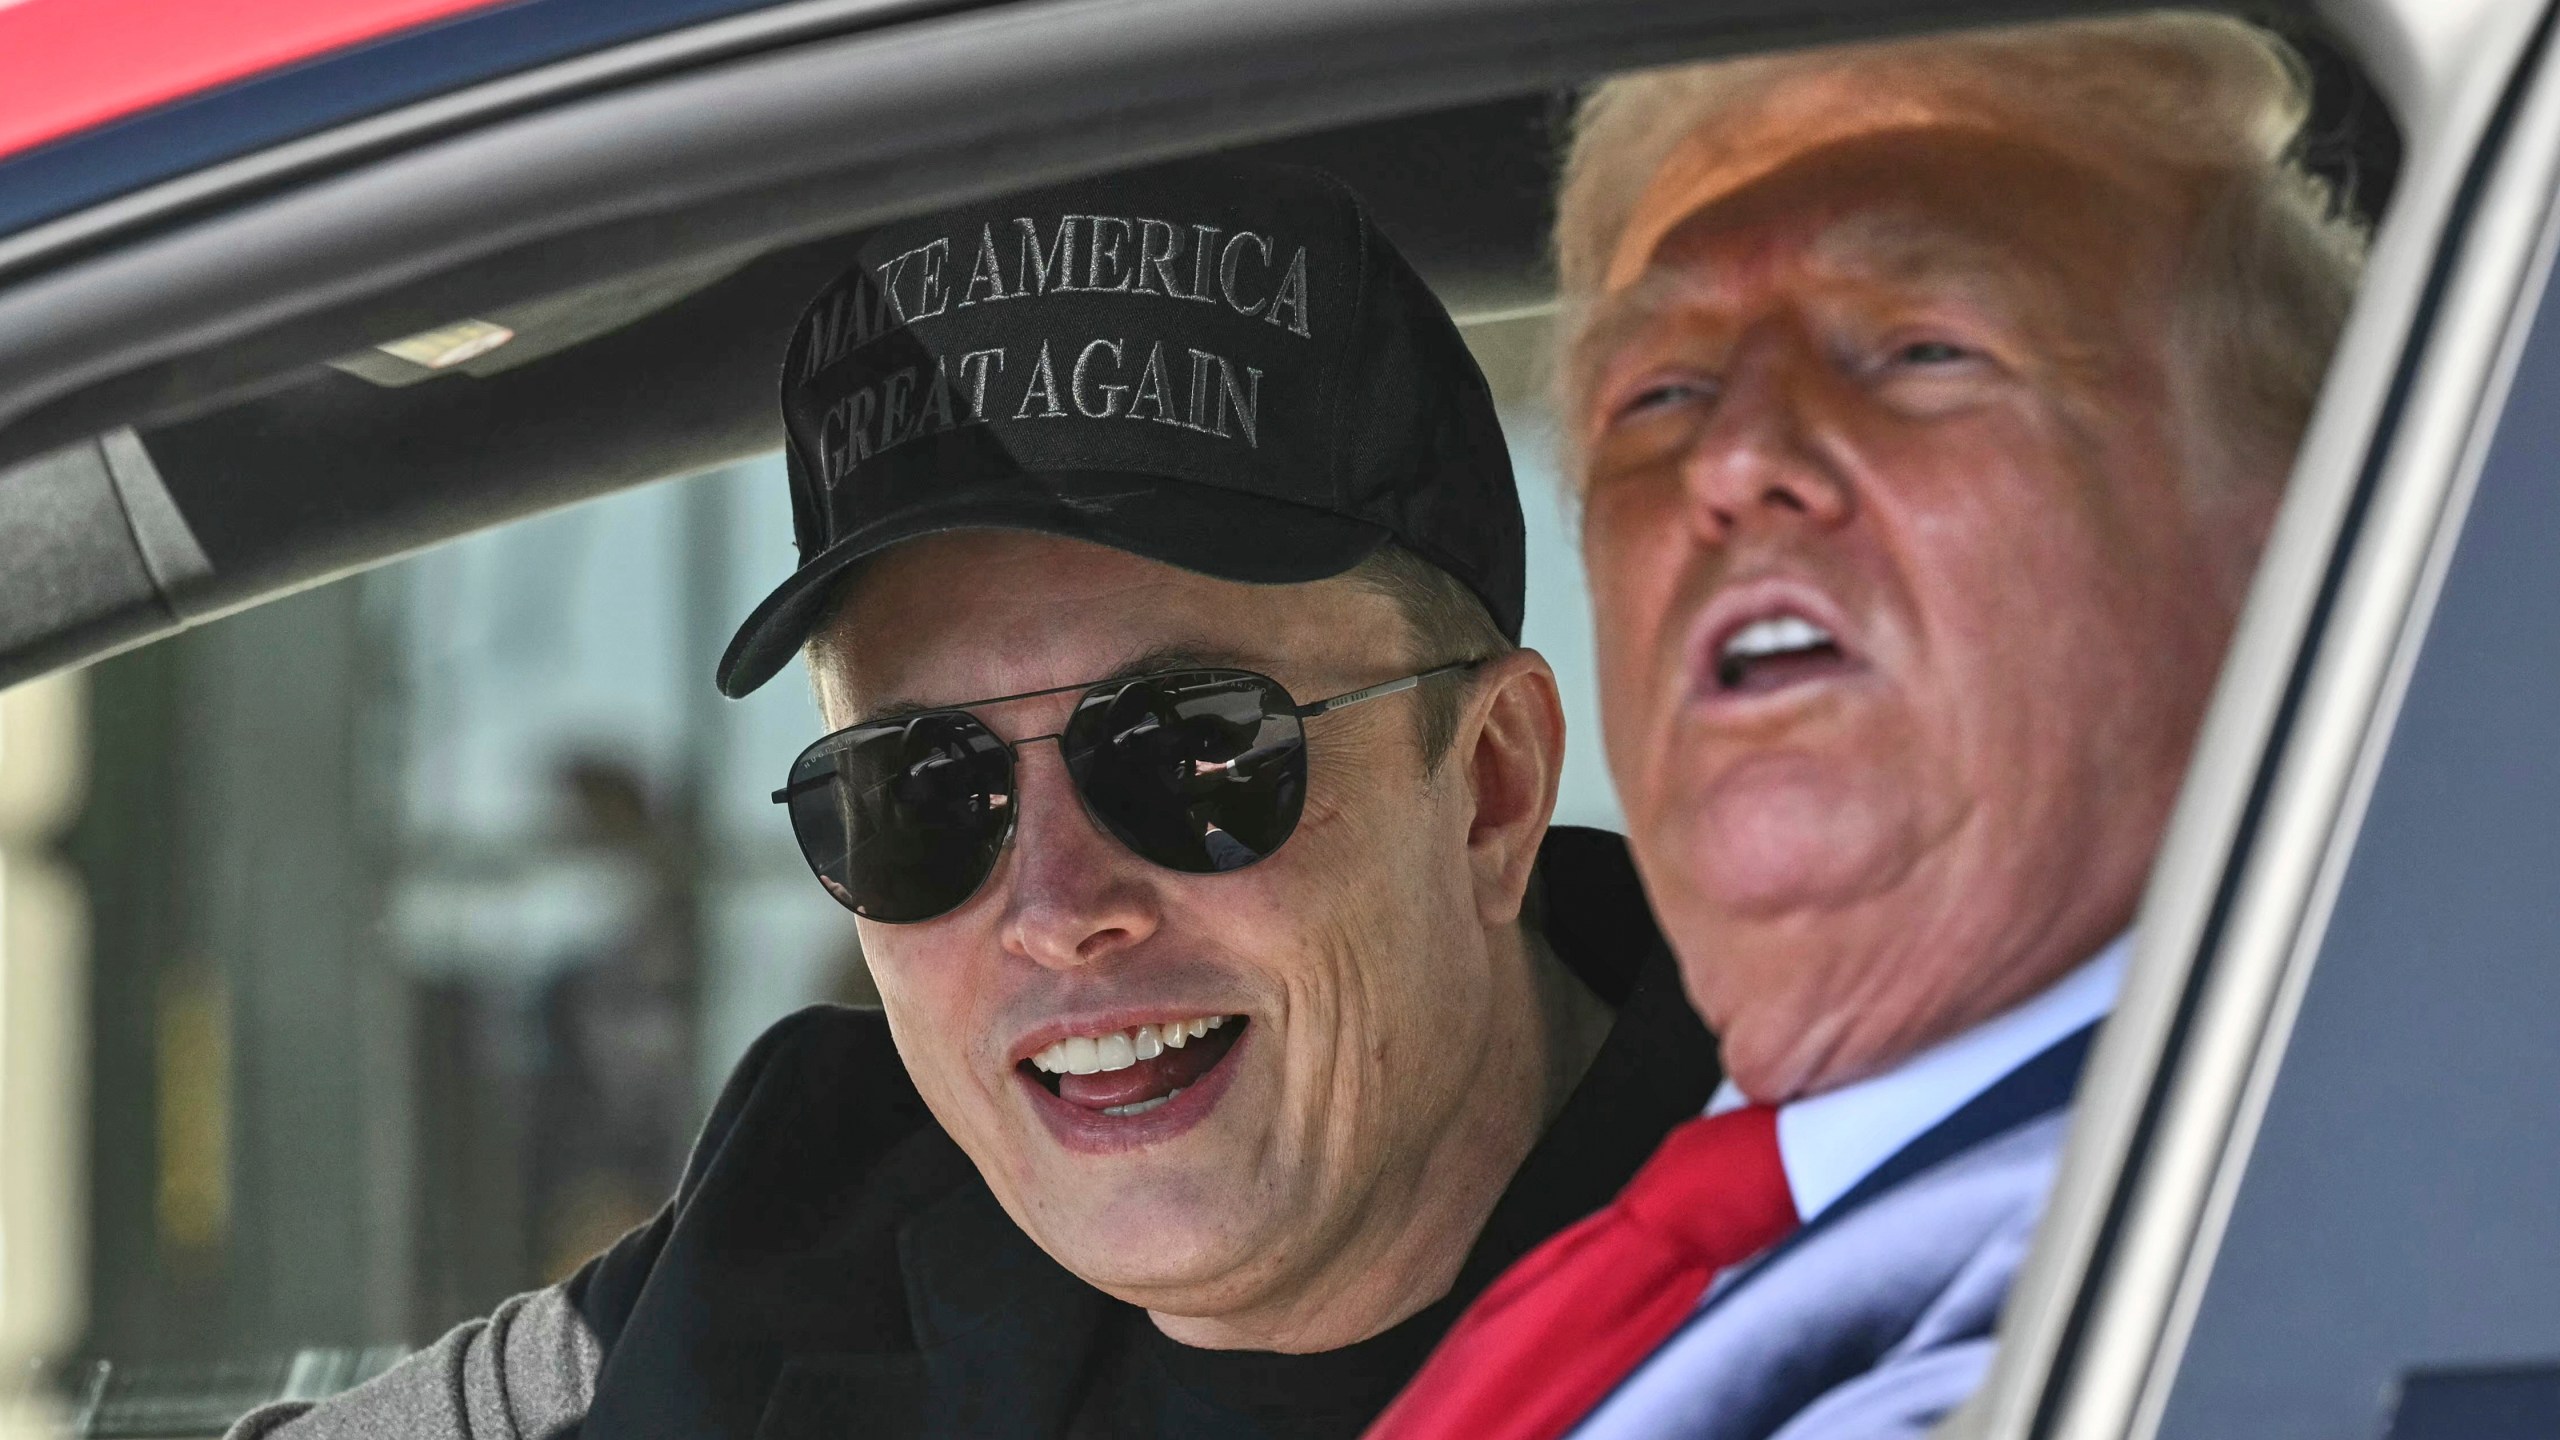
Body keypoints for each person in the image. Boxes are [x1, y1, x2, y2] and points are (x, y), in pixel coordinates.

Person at [230, 159, 1720, 1439]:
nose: (1060, 911)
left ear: (1491, 792)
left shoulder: (1879, 1278)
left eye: (1187, 752)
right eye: (919, 792)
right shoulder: (805, 1235)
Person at [1367, 15, 2368, 1440]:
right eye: (1664, 391)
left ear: (2305, 547)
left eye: (1918, 350)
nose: (1733, 458)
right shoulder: (1742, 1249)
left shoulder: (2244, 1263)